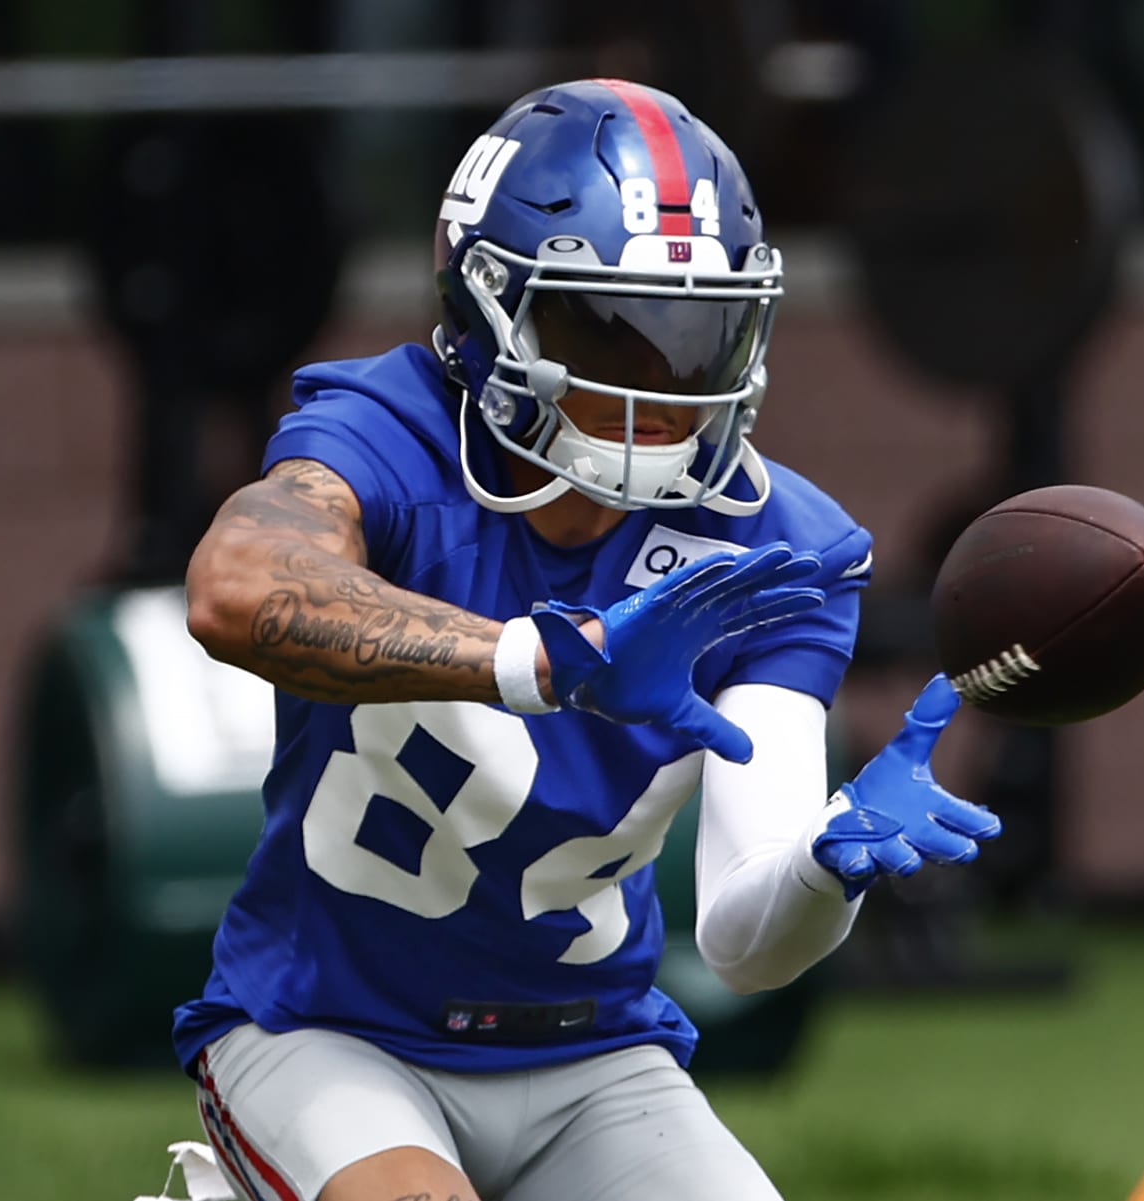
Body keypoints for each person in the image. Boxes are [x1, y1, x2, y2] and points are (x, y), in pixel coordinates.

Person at [175, 77, 1001, 1201]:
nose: (653, 389)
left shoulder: (776, 545)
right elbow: (236, 587)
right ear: (488, 308)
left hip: (592, 1055)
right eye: (605, 327)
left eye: (696, 338)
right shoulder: (400, 434)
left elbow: (742, 942)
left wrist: (823, 868)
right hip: (328, 1026)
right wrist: (539, 661)